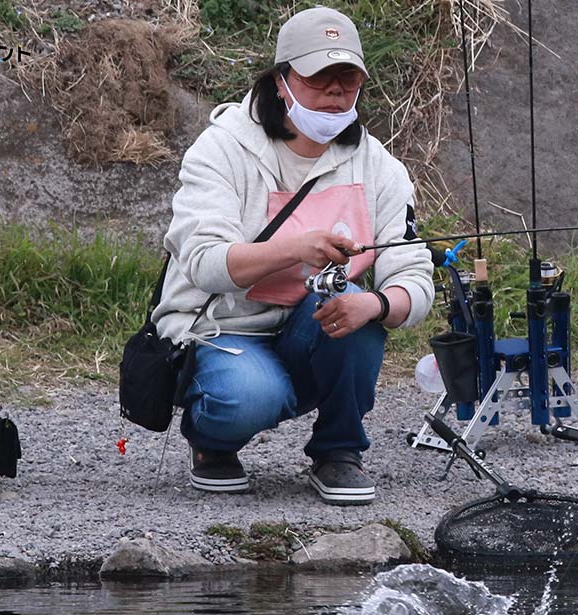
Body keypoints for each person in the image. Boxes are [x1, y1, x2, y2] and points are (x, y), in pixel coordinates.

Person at [152, 6, 434, 504]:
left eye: (348, 81)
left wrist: (380, 305)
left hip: (311, 328)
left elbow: (413, 274)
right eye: (319, 78)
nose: (335, 92)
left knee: (354, 303)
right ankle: (211, 444)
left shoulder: (381, 168)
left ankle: (339, 451)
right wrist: (293, 250)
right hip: (225, 328)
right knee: (255, 395)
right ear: (282, 81)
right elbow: (204, 262)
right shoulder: (219, 150)